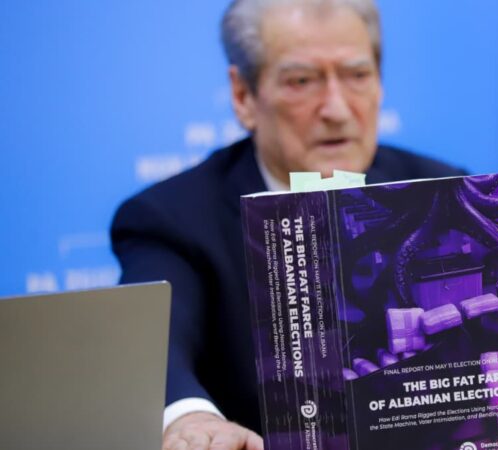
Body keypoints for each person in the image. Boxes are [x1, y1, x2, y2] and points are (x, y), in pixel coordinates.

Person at [110, 1, 464, 449]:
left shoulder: (443, 192)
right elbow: (152, 347)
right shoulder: (175, 218)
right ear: (244, 96)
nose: (337, 109)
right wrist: (190, 418)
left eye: (357, 75)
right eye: (302, 81)